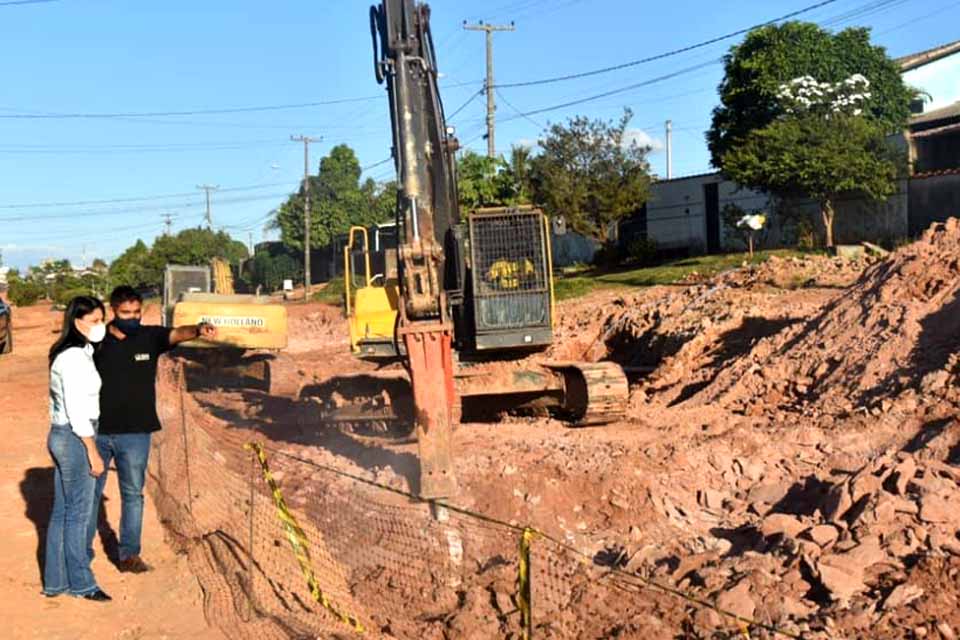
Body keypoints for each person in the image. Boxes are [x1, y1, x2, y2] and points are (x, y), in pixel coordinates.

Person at [87, 285, 216, 573]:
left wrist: (198, 329)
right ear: (113, 310)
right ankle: (81, 552)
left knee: (133, 494)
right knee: (89, 493)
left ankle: (128, 555)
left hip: (136, 434)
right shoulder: (96, 341)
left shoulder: (149, 337)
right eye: (126, 313)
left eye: (136, 312)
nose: (132, 318)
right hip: (97, 432)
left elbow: (177, 333)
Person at [45, 296, 111, 601]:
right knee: (78, 515)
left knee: (63, 512)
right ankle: (82, 584)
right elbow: (75, 409)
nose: (100, 326)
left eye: (102, 319)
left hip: (65, 434)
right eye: (94, 320)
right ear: (76, 321)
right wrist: (92, 451)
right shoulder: (72, 358)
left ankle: (56, 581)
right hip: (76, 436)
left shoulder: (80, 352)